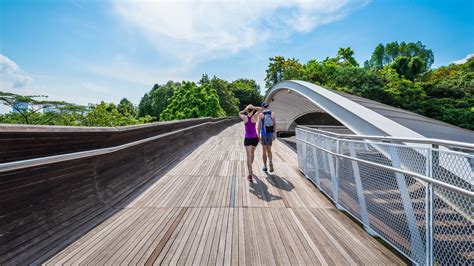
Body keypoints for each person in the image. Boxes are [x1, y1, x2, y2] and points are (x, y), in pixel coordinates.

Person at [239, 104, 262, 182]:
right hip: (254, 138)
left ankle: (250, 173)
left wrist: (245, 110)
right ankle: (250, 167)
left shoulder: (245, 118)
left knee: (249, 156)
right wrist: (254, 108)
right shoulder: (255, 117)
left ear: (247, 110)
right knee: (252, 154)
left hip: (248, 138)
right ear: (252, 110)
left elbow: (239, 113)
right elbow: (260, 109)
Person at [258, 102, 276, 173]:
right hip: (270, 133)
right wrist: (274, 134)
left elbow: (259, 125)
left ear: (262, 107)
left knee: (264, 150)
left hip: (264, 133)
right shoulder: (272, 113)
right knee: (269, 149)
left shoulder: (261, 114)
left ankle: (265, 166)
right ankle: (270, 162)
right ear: (268, 106)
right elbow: (274, 124)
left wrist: (258, 134)